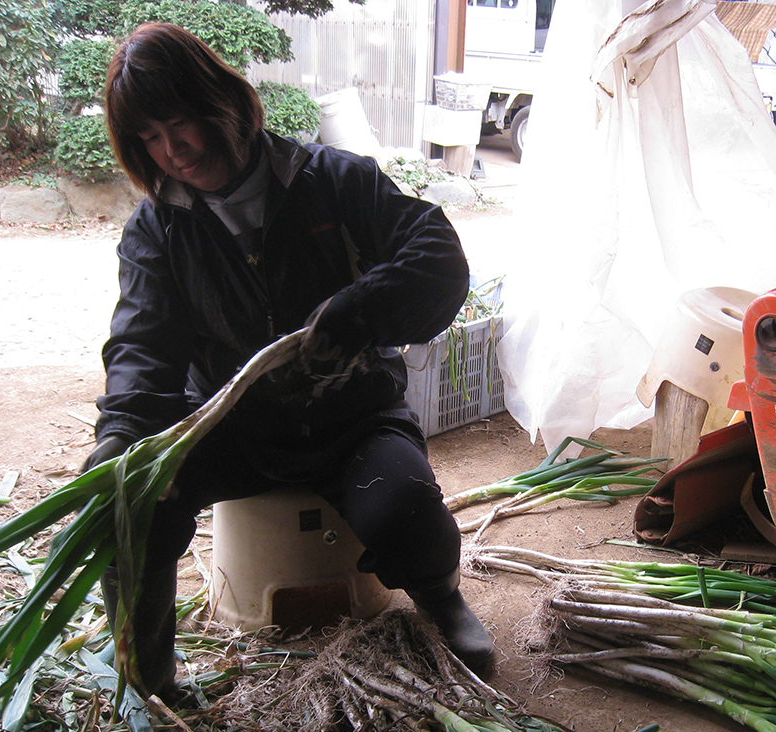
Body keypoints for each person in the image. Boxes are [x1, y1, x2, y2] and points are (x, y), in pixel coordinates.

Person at [84, 21, 493, 694]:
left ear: (223, 103)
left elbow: (436, 253)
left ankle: (443, 602)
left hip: (351, 417)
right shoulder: (158, 228)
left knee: (407, 513)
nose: (171, 151)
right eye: (148, 138)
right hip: (230, 427)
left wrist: (362, 310)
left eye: (179, 123)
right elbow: (142, 346)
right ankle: (149, 671)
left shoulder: (333, 180)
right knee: (134, 503)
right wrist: (122, 437)